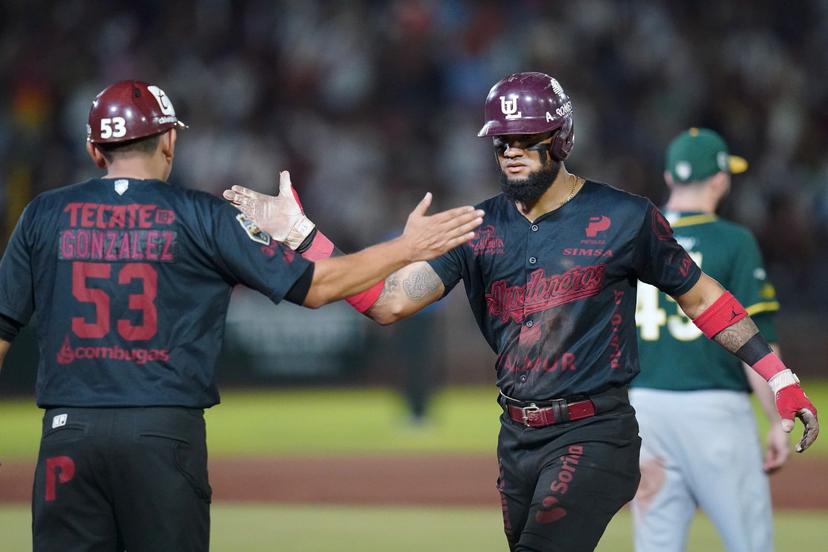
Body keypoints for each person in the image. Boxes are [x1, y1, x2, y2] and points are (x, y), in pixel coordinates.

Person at [223, 72, 819, 552]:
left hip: (597, 432)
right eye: (501, 141)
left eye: (525, 139)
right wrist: (304, 235)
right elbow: (388, 301)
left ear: (561, 140)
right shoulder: (475, 228)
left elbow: (703, 297)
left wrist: (779, 377)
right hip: (517, 438)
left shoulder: (625, 217)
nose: (509, 151)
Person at [0, 79, 483, 552]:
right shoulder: (202, 215)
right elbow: (316, 288)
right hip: (162, 432)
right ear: (169, 140)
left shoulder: (42, 215)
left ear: (94, 149)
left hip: (68, 434)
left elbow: (3, 326)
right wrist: (406, 248)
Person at [630, 128, 789, 552]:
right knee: (750, 542)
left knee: (656, 544)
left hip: (644, 409)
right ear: (720, 179)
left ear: (669, 177)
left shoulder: (635, 236)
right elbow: (757, 343)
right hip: (715, 411)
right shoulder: (734, 242)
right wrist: (776, 419)